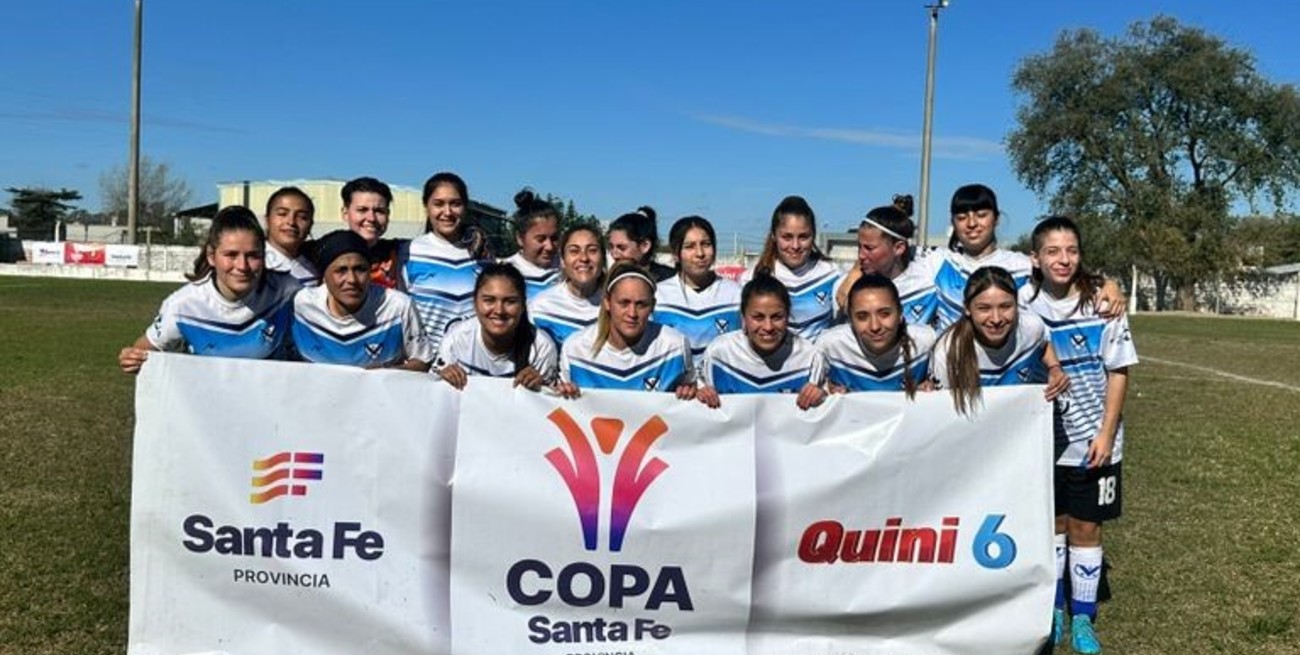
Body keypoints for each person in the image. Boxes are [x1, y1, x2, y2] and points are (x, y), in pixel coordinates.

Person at [1021, 216, 1138, 654]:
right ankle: (1054, 607)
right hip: (1043, 439)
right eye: (1052, 251)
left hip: (1094, 439)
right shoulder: (1021, 304)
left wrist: (1106, 433)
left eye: (1071, 250)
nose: (1063, 259)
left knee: (1086, 526)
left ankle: (1083, 618)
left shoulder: (1102, 305)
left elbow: (1118, 371)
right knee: (1052, 525)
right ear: (1035, 258)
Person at [918, 184, 1125, 332]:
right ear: (953, 222)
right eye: (962, 217)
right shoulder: (935, 262)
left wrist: (1109, 285)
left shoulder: (1021, 265)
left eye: (981, 215)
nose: (972, 224)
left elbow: (1066, 273)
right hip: (951, 369)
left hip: (1007, 373)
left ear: (996, 219)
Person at [118, 206, 298, 373]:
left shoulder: (286, 292)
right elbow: (146, 348)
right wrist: (132, 357)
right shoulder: (183, 306)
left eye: (253, 255)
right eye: (231, 255)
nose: (242, 266)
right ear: (211, 256)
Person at [928, 266, 1069, 414]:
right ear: (967, 308)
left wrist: (1054, 368)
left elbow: (1043, 344)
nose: (996, 319)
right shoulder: (947, 352)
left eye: (1005, 307)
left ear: (1017, 305)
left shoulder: (1031, 327)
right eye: (984, 308)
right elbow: (941, 412)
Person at [289, 230, 433, 371]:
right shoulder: (301, 306)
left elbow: (422, 361)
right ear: (324, 276)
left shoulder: (398, 306)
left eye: (360, 269)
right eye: (341, 270)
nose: (352, 280)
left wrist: (387, 372)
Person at [555, 262, 694, 398]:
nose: (632, 313)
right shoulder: (576, 349)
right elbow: (557, 404)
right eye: (624, 303)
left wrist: (692, 393)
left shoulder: (675, 346)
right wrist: (563, 393)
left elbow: (693, 393)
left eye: (641, 304)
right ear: (607, 302)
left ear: (653, 305)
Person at [696, 273, 827, 410]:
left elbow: (829, 405)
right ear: (743, 317)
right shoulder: (719, 353)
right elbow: (696, 397)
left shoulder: (809, 357)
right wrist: (699, 394)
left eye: (777, 317)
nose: (768, 327)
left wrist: (822, 397)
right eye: (758, 317)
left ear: (788, 316)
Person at [398, 172, 486, 352]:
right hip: (425, 362)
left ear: (465, 207)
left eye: (455, 204)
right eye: (438, 204)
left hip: (473, 360)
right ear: (426, 207)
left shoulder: (483, 254)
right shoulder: (409, 252)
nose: (447, 212)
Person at [436, 262, 558, 391]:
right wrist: (442, 378)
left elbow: (549, 401)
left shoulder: (541, 348)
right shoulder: (456, 339)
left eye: (510, 301)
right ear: (475, 302)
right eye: (489, 300)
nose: (499, 310)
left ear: (523, 305)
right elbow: (434, 394)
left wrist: (540, 387)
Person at [742, 195, 841, 340]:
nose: (795, 246)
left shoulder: (832, 274)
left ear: (813, 236)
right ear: (774, 236)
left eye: (803, 237)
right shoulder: (752, 278)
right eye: (787, 237)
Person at [819, 273, 936, 395]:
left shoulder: (925, 343)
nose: (875, 326)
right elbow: (813, 393)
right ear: (850, 319)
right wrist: (824, 393)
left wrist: (931, 390)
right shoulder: (830, 346)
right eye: (862, 317)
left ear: (900, 313)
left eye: (885, 314)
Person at [834, 195, 938, 328]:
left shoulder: (928, 282)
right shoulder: (844, 287)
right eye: (859, 246)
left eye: (869, 248)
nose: (860, 255)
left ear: (898, 248)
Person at [652, 215, 741, 361]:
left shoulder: (735, 294)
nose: (700, 253)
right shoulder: (658, 296)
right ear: (675, 254)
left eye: (706, 244)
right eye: (690, 246)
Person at [530, 223, 606, 346]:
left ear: (603, 258)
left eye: (592, 250)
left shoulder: (616, 305)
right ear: (562, 260)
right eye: (574, 251)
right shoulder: (541, 307)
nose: (584, 258)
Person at [339, 176, 399, 288]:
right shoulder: (323, 252)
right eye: (362, 210)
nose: (371, 218)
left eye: (379, 211)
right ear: (345, 214)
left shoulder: (402, 252)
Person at [503, 188, 561, 299]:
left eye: (554, 238)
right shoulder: (505, 272)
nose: (549, 247)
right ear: (520, 238)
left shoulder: (569, 269)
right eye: (541, 239)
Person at [263, 186, 317, 285]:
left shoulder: (316, 265)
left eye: (302, 217)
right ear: (267, 220)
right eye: (282, 214)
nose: (291, 222)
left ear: (311, 224)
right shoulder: (254, 263)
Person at [607, 206, 675, 281]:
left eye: (622, 248)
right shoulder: (609, 279)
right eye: (611, 247)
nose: (615, 255)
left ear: (645, 246)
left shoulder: (670, 280)